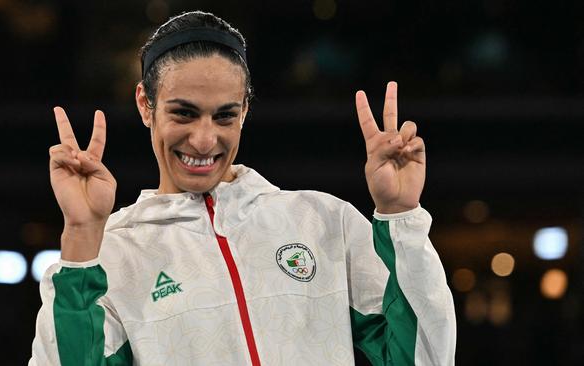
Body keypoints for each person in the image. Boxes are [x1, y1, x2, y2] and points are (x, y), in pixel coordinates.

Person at [29, 10, 456, 366]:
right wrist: (83, 235)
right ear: (146, 104)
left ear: (246, 110)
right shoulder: (113, 255)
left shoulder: (324, 222)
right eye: (183, 114)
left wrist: (401, 217)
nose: (203, 139)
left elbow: (423, 358)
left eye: (224, 116)